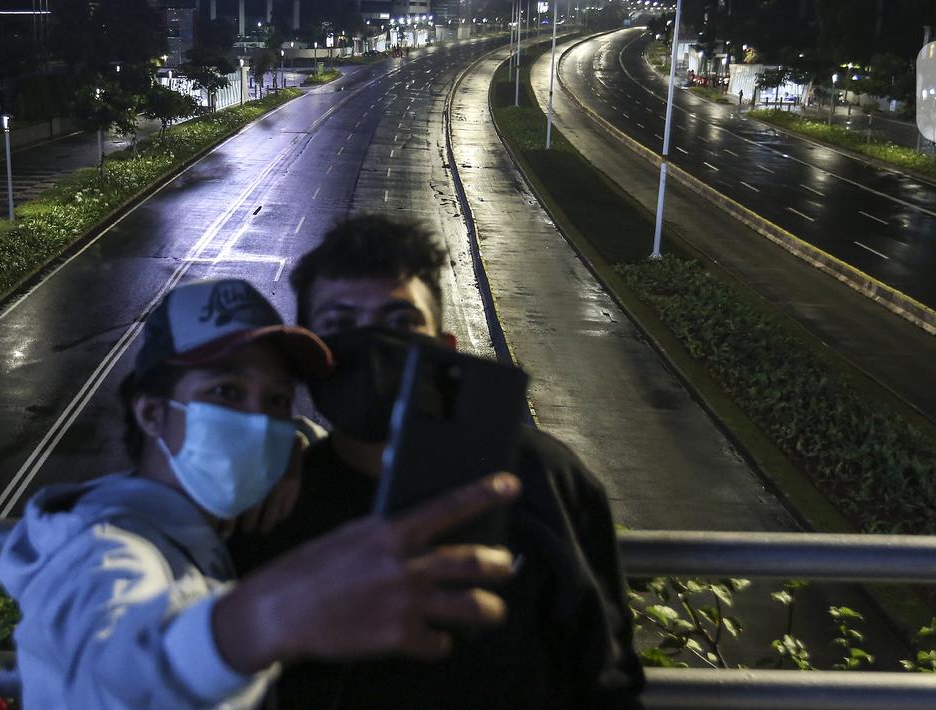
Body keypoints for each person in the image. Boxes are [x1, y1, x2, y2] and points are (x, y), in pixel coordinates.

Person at [0, 278, 522, 709]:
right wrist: (267, 617)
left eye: (275, 400)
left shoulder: (204, 524)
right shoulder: (96, 551)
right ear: (152, 412)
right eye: (224, 392)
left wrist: (295, 446)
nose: (257, 422)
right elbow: (113, 677)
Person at [228, 216, 645, 709]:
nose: (372, 349)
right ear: (311, 360)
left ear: (445, 349)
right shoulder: (271, 504)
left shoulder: (543, 477)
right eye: (339, 325)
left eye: (401, 322)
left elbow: (605, 675)